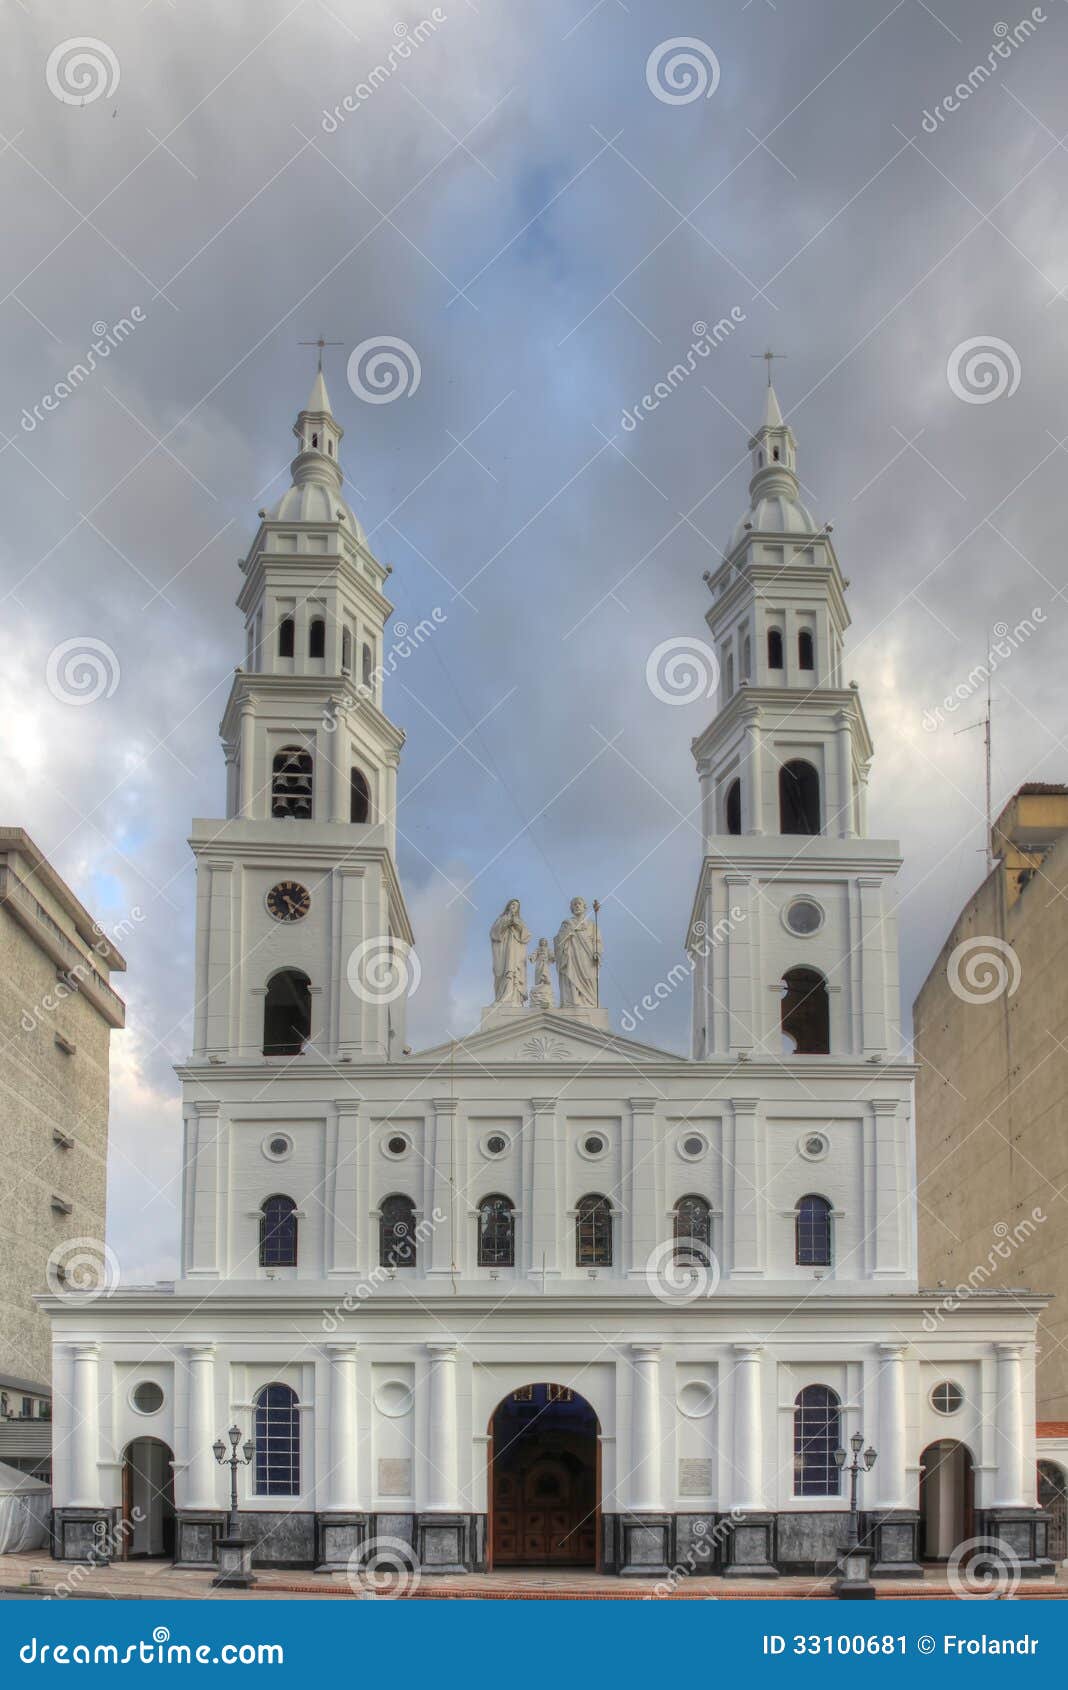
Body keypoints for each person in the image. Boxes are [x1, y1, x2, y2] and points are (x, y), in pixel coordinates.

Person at [489, 899, 531, 1005]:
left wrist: (518, 926)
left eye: (516, 906)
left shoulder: (520, 921)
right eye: (512, 904)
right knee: (504, 971)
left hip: (515, 950)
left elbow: (526, 936)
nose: (514, 907)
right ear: (508, 906)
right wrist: (506, 922)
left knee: (513, 971)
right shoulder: (501, 919)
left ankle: (514, 997)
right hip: (504, 950)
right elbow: (494, 933)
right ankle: (502, 996)